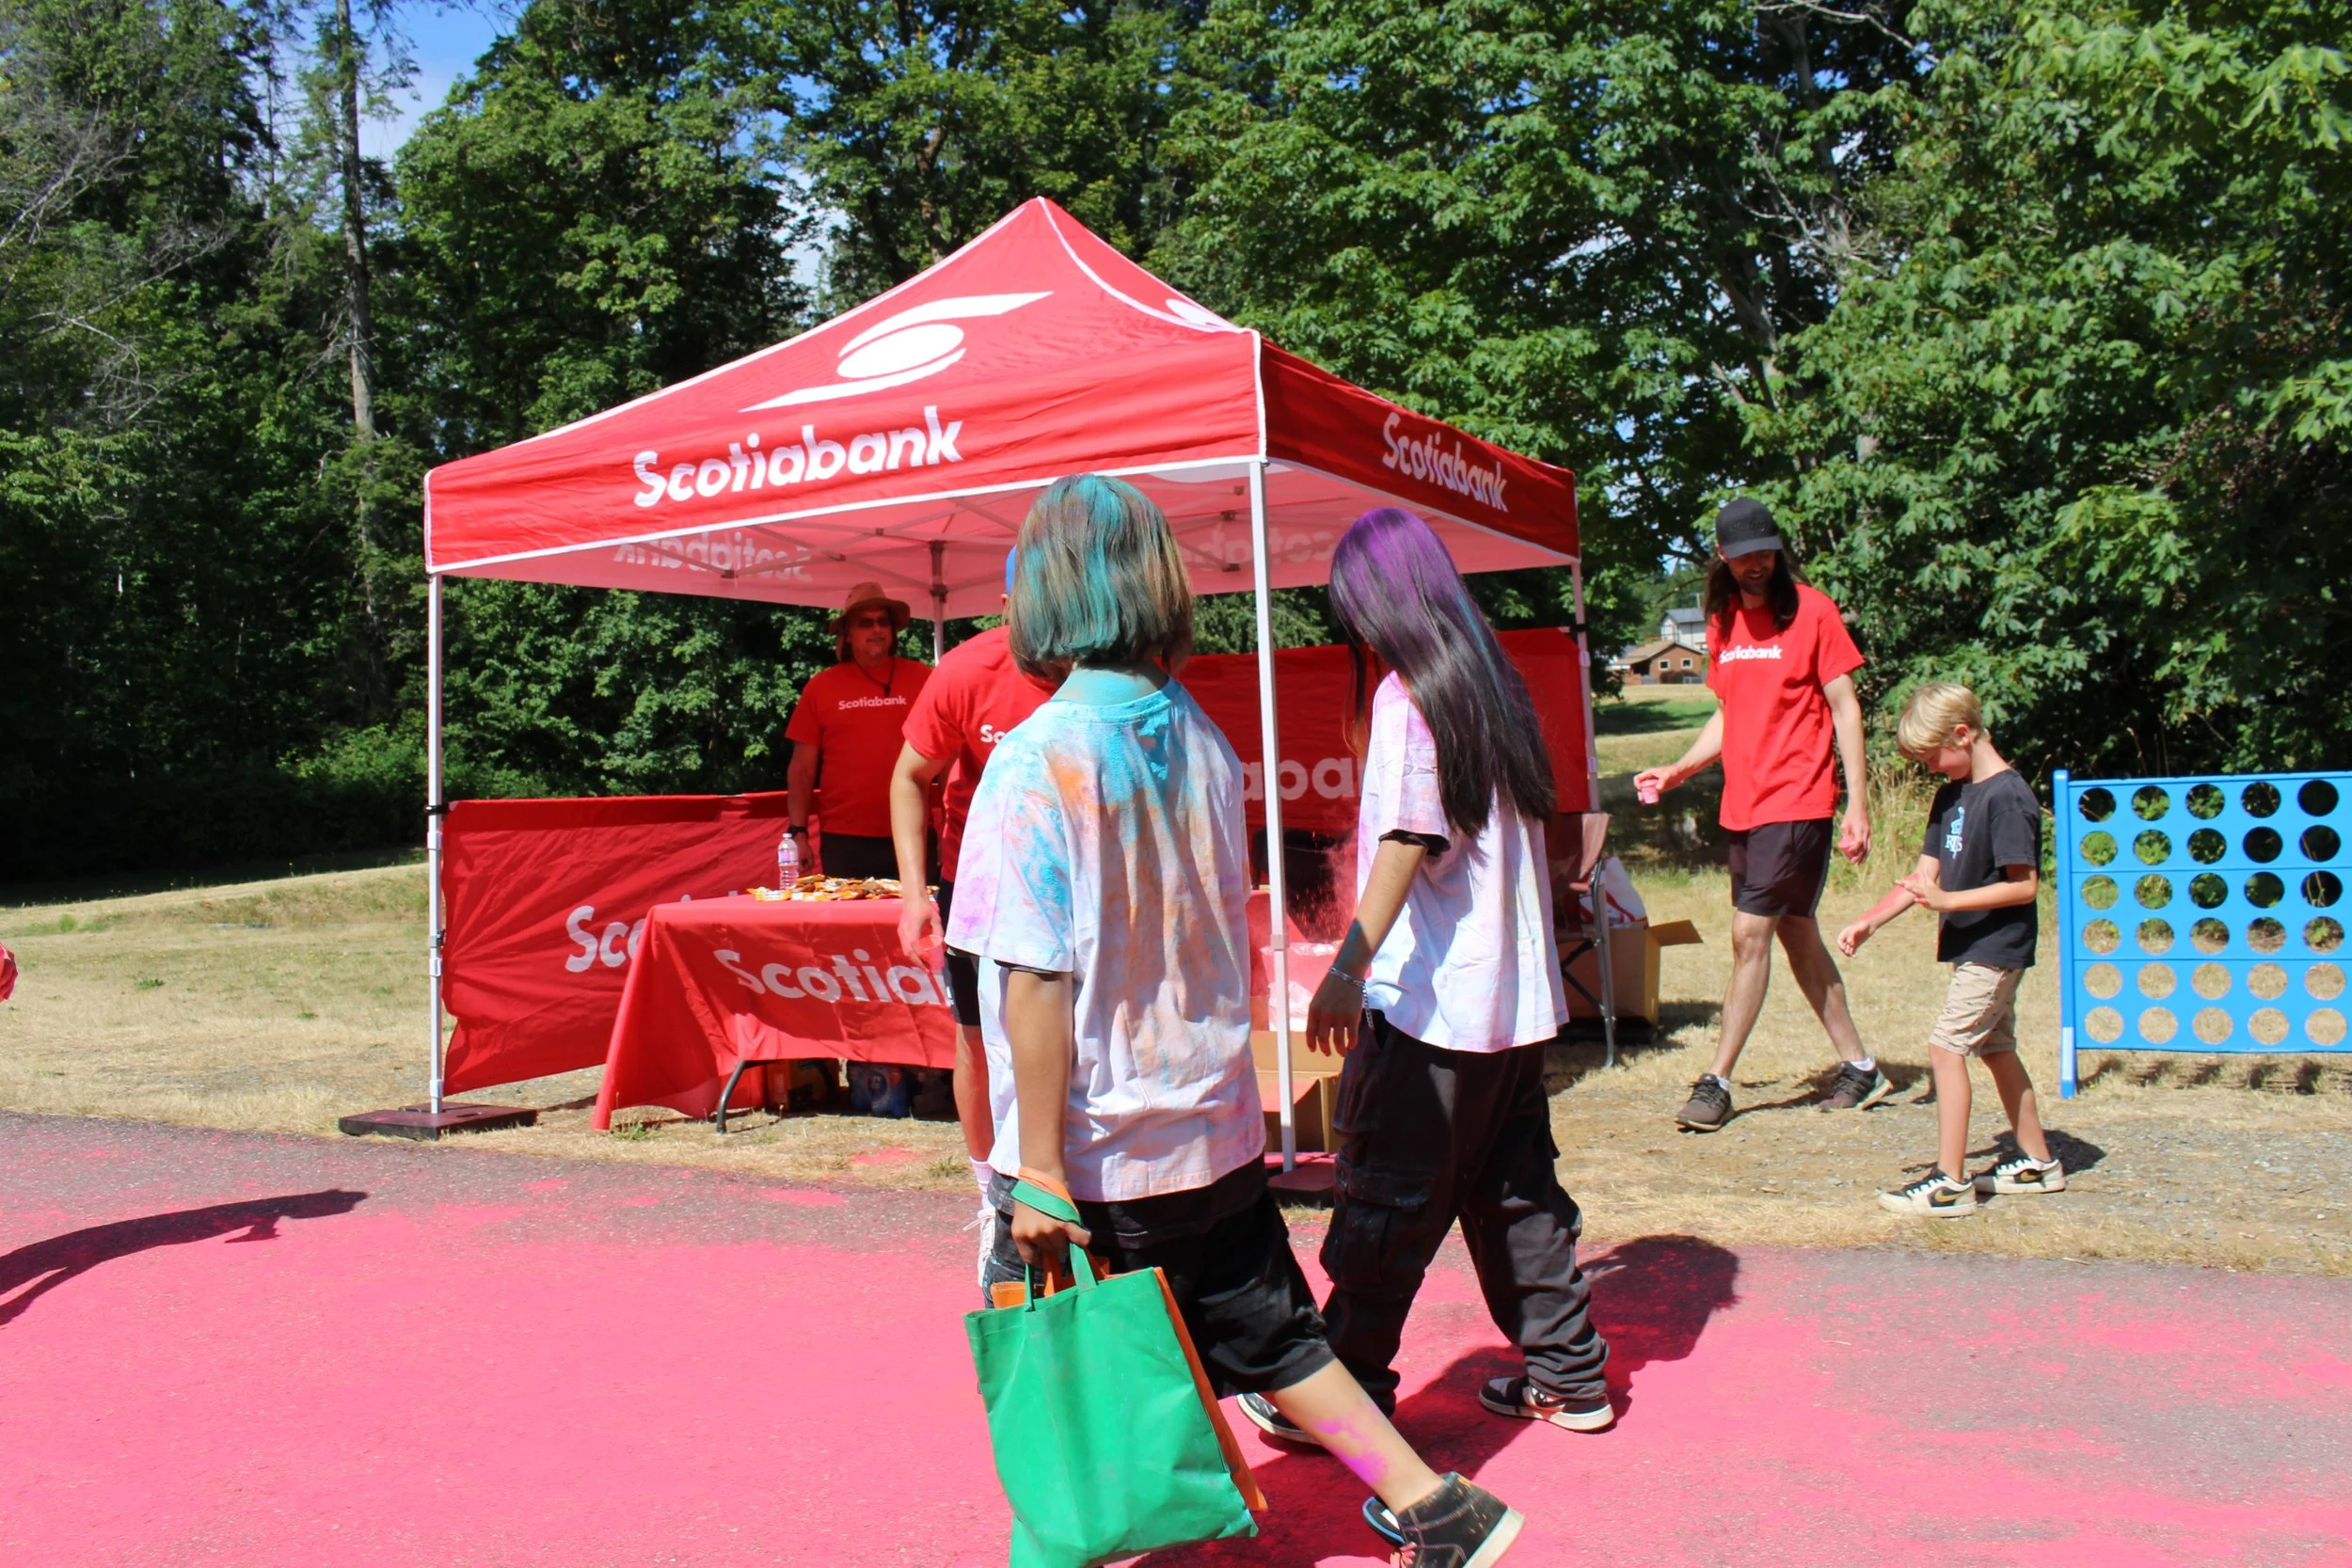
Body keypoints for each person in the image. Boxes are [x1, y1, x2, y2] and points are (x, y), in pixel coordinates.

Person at [950, 474, 1525, 1567]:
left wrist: (1034, 1171)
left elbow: (1032, 979)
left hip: (1094, 1146)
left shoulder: (1033, 760)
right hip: (1211, 1120)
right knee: (1274, 1333)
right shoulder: (1203, 737)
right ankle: (1436, 1506)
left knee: (1069, 1375)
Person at [1236, 506, 1613, 1492]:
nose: (1352, 625)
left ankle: (1344, 1392)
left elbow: (1407, 839)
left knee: (1386, 1198)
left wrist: (1348, 963)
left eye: (1353, 607)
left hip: (1433, 1003)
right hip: (1511, 1003)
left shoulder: (1416, 697)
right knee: (1514, 1190)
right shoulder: (1493, 687)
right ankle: (1569, 1374)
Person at [1634, 498, 1886, 1132]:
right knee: (1796, 933)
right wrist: (1677, 769)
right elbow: (1729, 712)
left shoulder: (1813, 611)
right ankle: (1861, 1065)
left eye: (1766, 551)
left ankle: (1716, 1081)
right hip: (1743, 805)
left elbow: (1845, 707)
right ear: (1723, 556)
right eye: (1745, 554)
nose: (1758, 564)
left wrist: (1857, 803)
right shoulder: (1721, 620)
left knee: (1750, 935)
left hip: (1798, 801)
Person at [890, 548, 1057, 1280]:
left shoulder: (1101, 668)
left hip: (1065, 886)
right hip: (977, 885)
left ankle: (1062, 1184)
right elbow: (908, 776)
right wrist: (912, 892)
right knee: (980, 1041)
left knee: (1065, 1040)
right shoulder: (964, 669)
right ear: (1005, 603)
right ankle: (990, 1187)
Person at [1838, 683, 2062, 1216]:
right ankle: (2036, 1163)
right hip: (1973, 946)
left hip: (1997, 947)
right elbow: (1923, 877)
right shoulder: (1951, 796)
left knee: (1946, 1048)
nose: (1931, 768)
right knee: (1996, 1047)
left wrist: (1947, 901)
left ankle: (1949, 1183)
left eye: (1933, 756)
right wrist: (1871, 921)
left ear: (1962, 734)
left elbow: (2024, 885)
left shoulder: (2009, 797)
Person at [784, 582, 932, 879]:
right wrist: (798, 832)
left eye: (883, 621)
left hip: (914, 832)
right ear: (847, 634)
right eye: (865, 622)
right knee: (848, 926)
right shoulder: (821, 687)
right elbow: (802, 769)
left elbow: (948, 757)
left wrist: (953, 827)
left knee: (923, 924)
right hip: (845, 839)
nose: (876, 629)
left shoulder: (924, 678)